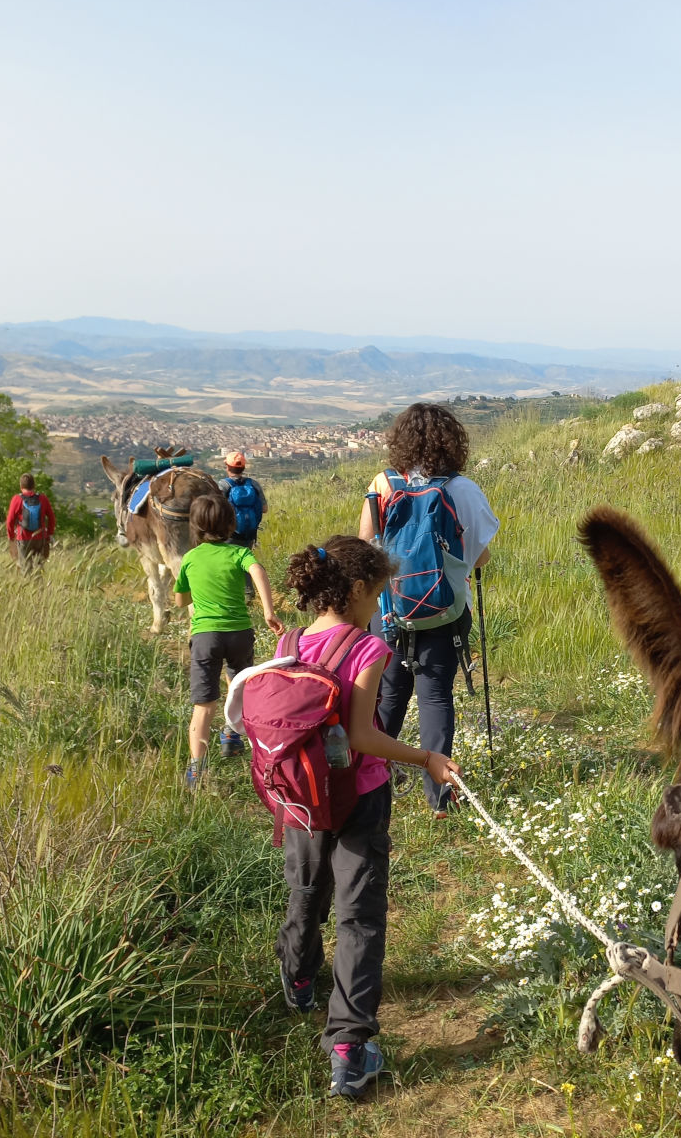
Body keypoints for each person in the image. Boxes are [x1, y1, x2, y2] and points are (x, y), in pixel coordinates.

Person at [248, 536, 461, 1098]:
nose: (384, 602)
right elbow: (365, 736)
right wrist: (427, 758)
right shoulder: (369, 650)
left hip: (298, 797)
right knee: (359, 916)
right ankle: (349, 1046)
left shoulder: (290, 640)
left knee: (305, 890)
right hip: (358, 797)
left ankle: (297, 977)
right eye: (381, 591)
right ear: (359, 590)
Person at [357, 403, 499, 819]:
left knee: (390, 692)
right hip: (445, 610)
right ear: (452, 442)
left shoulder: (382, 483)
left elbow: (366, 546)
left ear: (399, 440)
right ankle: (439, 799)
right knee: (435, 696)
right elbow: (482, 557)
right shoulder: (462, 489)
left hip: (389, 611)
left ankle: (372, 774)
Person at [173, 492, 282, 786]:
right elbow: (257, 570)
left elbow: (180, 599)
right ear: (231, 523)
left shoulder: (191, 558)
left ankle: (197, 769)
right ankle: (232, 735)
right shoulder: (239, 553)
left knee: (204, 704)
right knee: (240, 687)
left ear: (193, 526)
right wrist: (268, 611)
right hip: (239, 633)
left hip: (206, 636)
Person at [5, 472, 56, 573]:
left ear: (21, 486)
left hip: (23, 538)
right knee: (38, 567)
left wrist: (11, 536)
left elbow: (10, 520)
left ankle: (28, 586)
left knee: (25, 568)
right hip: (40, 538)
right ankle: (39, 587)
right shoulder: (42, 498)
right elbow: (51, 517)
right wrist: (49, 534)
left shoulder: (17, 499)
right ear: (34, 485)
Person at [218, 452, 268, 549]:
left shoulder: (223, 485)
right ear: (243, 468)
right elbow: (264, 509)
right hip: (249, 536)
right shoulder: (253, 484)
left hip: (228, 536)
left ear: (227, 467)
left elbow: (216, 511)